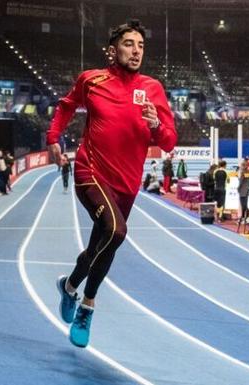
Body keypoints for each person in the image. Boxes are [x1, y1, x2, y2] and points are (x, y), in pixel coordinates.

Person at [47, 19, 176, 348]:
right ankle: (87, 306)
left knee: (106, 241)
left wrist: (157, 125)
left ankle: (71, 287)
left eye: (141, 46)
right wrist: (53, 138)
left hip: (126, 185)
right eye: (129, 44)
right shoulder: (92, 80)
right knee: (116, 232)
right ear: (112, 49)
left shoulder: (152, 89)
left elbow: (170, 140)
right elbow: (65, 107)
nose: (136, 51)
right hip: (91, 171)